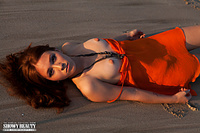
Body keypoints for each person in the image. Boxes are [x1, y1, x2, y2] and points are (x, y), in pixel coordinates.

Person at [1, 25, 200, 113]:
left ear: (53, 49)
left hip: (154, 44)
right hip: (160, 69)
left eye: (53, 58)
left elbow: (106, 45)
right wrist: (173, 99)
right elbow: (133, 93)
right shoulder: (89, 87)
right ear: (52, 81)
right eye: (51, 72)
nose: (59, 65)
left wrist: (126, 36)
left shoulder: (69, 46)